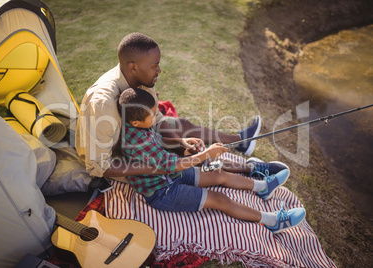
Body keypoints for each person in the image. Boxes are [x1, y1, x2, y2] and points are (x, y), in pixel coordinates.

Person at [75, 32, 287, 183]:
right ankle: (249, 169)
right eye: (154, 65)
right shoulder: (102, 102)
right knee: (186, 163)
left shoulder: (141, 78)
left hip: (140, 139)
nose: (159, 70)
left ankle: (245, 156)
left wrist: (180, 141)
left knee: (184, 136)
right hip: (119, 158)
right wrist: (156, 165)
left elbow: (156, 120)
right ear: (133, 67)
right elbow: (99, 166)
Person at [117, 88, 306, 234]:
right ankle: (273, 221)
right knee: (220, 199)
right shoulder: (137, 141)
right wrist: (206, 154)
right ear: (136, 123)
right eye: (152, 115)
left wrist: (182, 141)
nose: (155, 116)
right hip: (163, 191)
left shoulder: (138, 125)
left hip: (169, 175)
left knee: (218, 174)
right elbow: (171, 165)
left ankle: (262, 187)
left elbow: (158, 142)